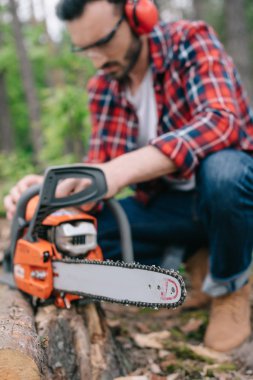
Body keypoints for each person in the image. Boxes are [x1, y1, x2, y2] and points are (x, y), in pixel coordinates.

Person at [4, 0, 253, 352]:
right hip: (169, 208)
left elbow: (221, 121)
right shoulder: (105, 88)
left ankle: (231, 286)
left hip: (229, 192)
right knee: (84, 232)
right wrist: (55, 188)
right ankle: (200, 251)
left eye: (103, 41)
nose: (98, 59)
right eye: (85, 49)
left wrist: (121, 169)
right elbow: (98, 174)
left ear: (138, 15)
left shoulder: (190, 41)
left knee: (224, 173)